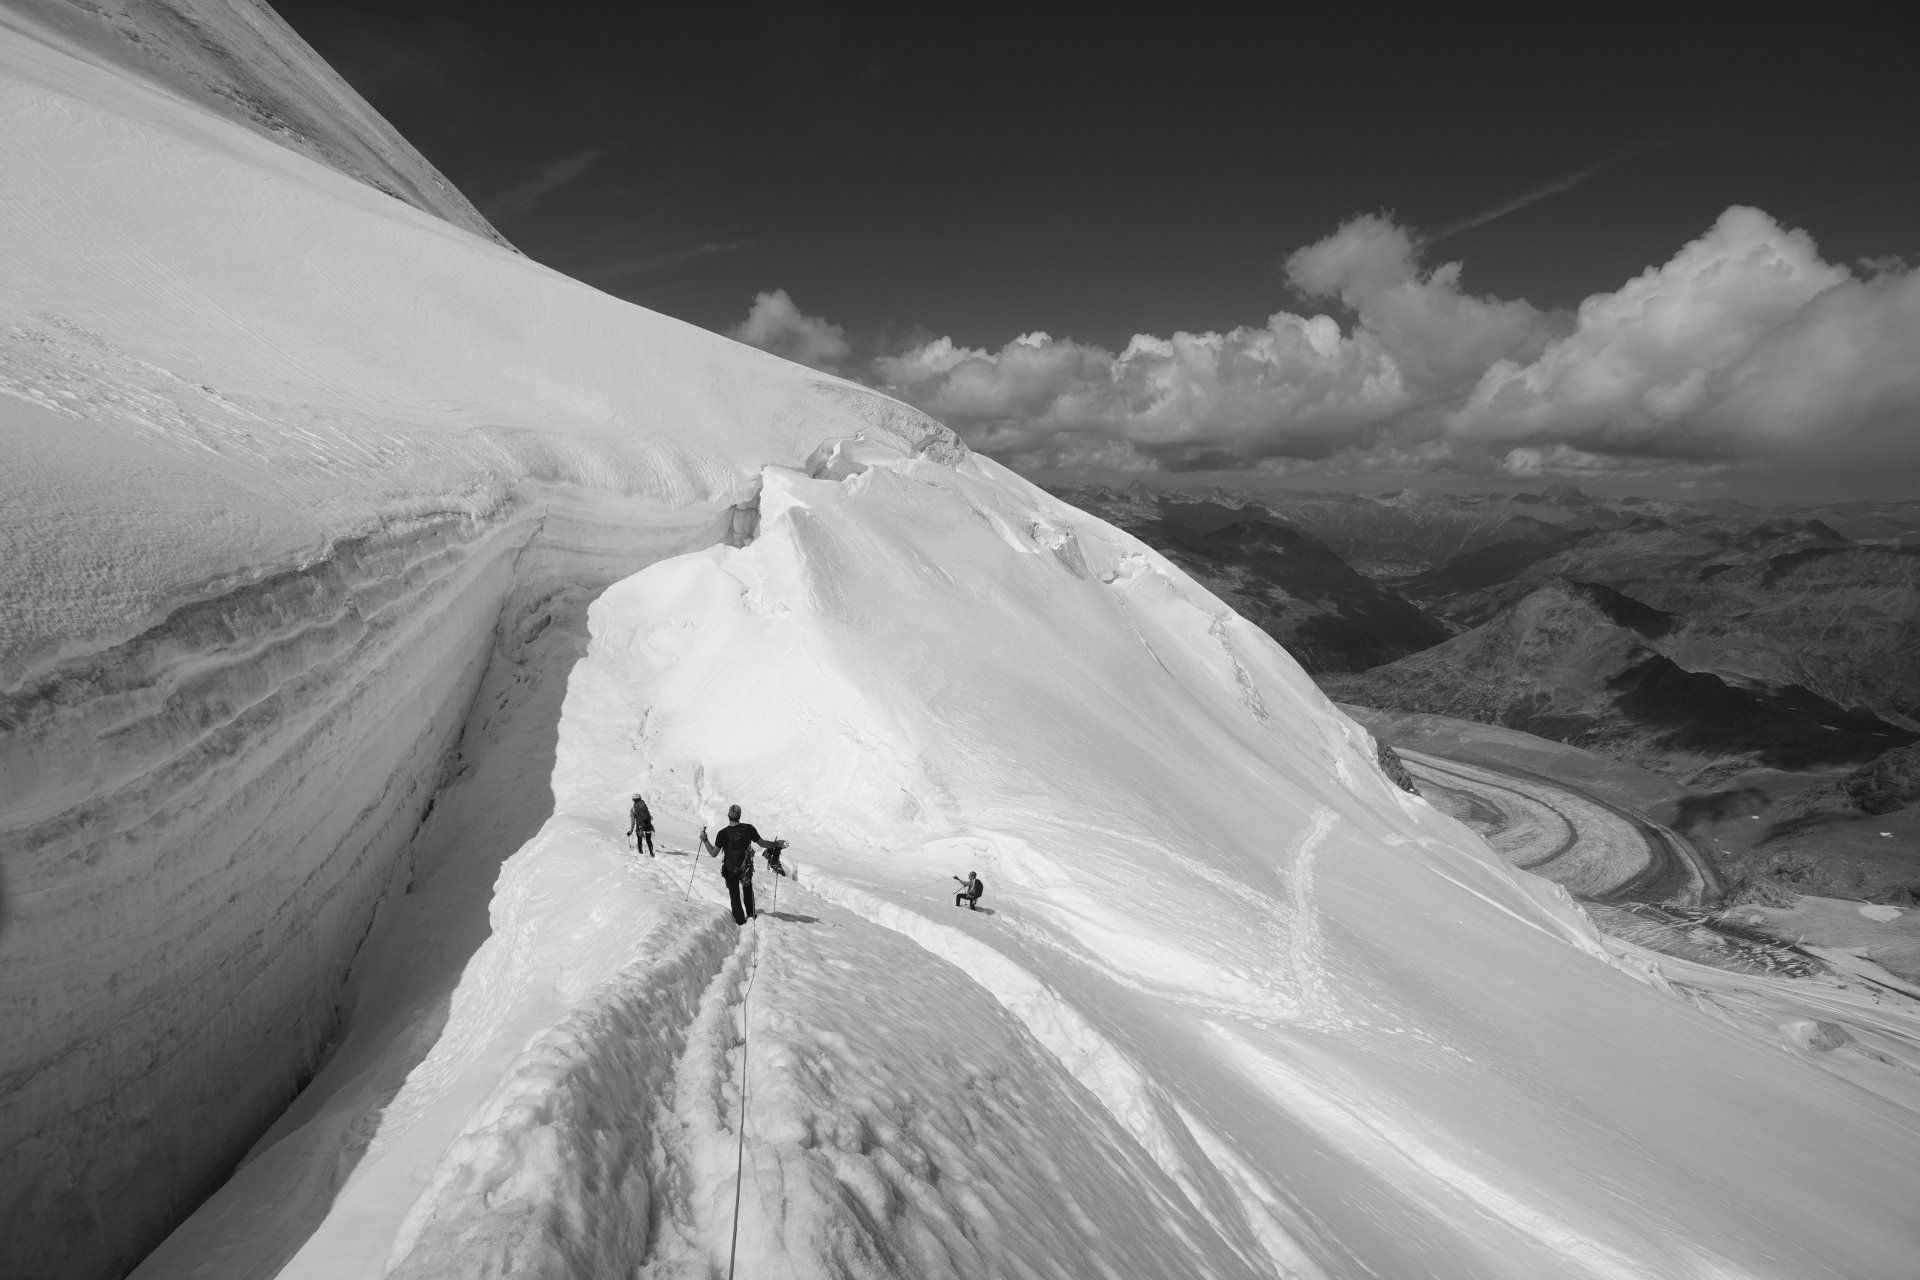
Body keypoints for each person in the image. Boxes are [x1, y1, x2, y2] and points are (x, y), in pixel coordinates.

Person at [703, 804, 773, 925]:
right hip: (746, 867)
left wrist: (704, 839)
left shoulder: (723, 833)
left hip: (730, 869)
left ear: (728, 815)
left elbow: (714, 853)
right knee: (747, 890)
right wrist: (776, 844)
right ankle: (751, 915)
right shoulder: (749, 828)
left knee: (734, 895)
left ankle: (740, 921)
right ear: (739, 816)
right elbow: (763, 843)